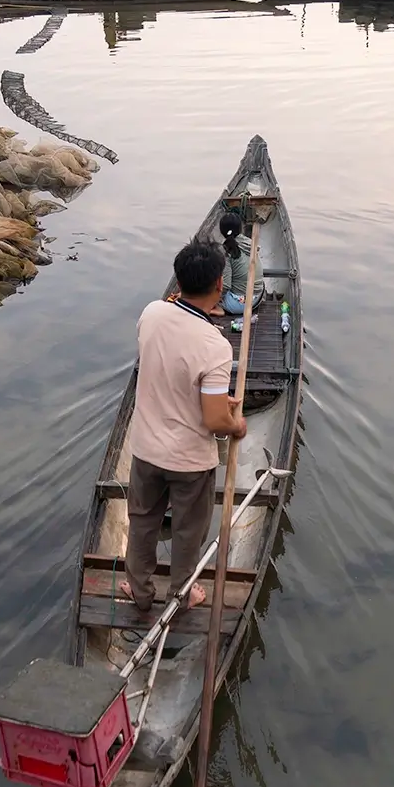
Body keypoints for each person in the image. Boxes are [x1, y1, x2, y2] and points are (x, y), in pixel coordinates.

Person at [120, 239, 247, 615]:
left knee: (142, 524)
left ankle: (140, 592)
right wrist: (234, 422)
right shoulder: (214, 346)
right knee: (188, 533)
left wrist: (214, 403)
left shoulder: (152, 313)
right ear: (219, 286)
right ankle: (182, 595)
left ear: (178, 281)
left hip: (145, 451)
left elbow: (167, 371)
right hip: (189, 462)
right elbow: (214, 421)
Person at [217, 210, 264, 317]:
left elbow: (225, 286)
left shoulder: (226, 250)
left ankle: (218, 309)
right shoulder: (249, 242)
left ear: (221, 231)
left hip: (241, 304)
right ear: (240, 229)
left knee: (209, 293)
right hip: (258, 297)